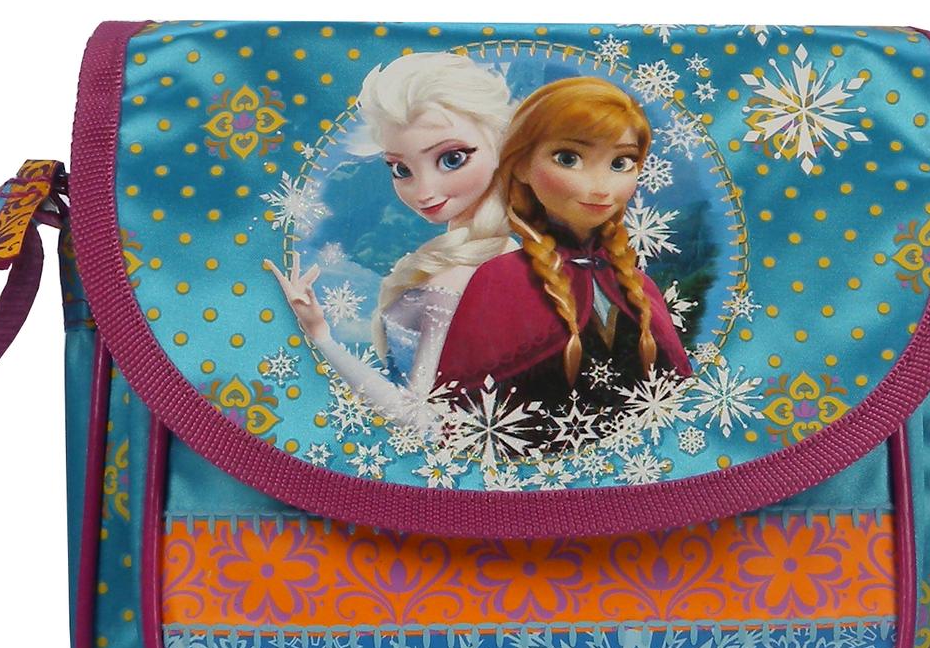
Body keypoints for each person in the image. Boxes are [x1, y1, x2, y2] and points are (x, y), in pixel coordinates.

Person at [265, 53, 515, 431]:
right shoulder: (512, 257)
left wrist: (322, 337)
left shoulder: (454, 280)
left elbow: (418, 418)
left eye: (452, 159)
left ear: (501, 144)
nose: (424, 191)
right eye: (401, 169)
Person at [433, 75, 692, 431]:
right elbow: (459, 416)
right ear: (521, 165)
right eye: (568, 158)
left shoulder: (639, 286)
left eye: (621, 163)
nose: (600, 187)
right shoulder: (500, 280)